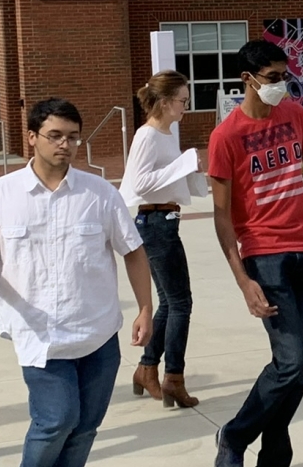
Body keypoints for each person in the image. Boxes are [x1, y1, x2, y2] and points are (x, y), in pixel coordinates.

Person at [0, 99, 154, 467]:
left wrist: (145, 308)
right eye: (55, 136)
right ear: (32, 137)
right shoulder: (1, 194)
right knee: (56, 420)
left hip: (97, 332)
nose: (65, 144)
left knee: (86, 427)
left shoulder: (100, 194)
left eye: (73, 137)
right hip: (40, 336)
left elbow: (134, 252)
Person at [209, 40, 303, 467]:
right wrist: (242, 280)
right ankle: (234, 437)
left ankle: (275, 449)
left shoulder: (293, 115)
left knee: (292, 366)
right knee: (291, 364)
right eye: (272, 78)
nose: (280, 86)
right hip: (264, 255)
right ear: (247, 80)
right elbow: (220, 217)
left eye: (283, 76)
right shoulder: (226, 136)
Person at [121, 71, 206, 408]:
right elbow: (140, 182)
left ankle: (147, 369)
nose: (186, 105)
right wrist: (185, 163)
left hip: (165, 218)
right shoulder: (148, 135)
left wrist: (193, 169)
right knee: (181, 302)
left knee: (171, 302)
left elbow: (173, 178)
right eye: (183, 100)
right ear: (166, 101)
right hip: (154, 221)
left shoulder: (168, 133)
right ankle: (173, 377)